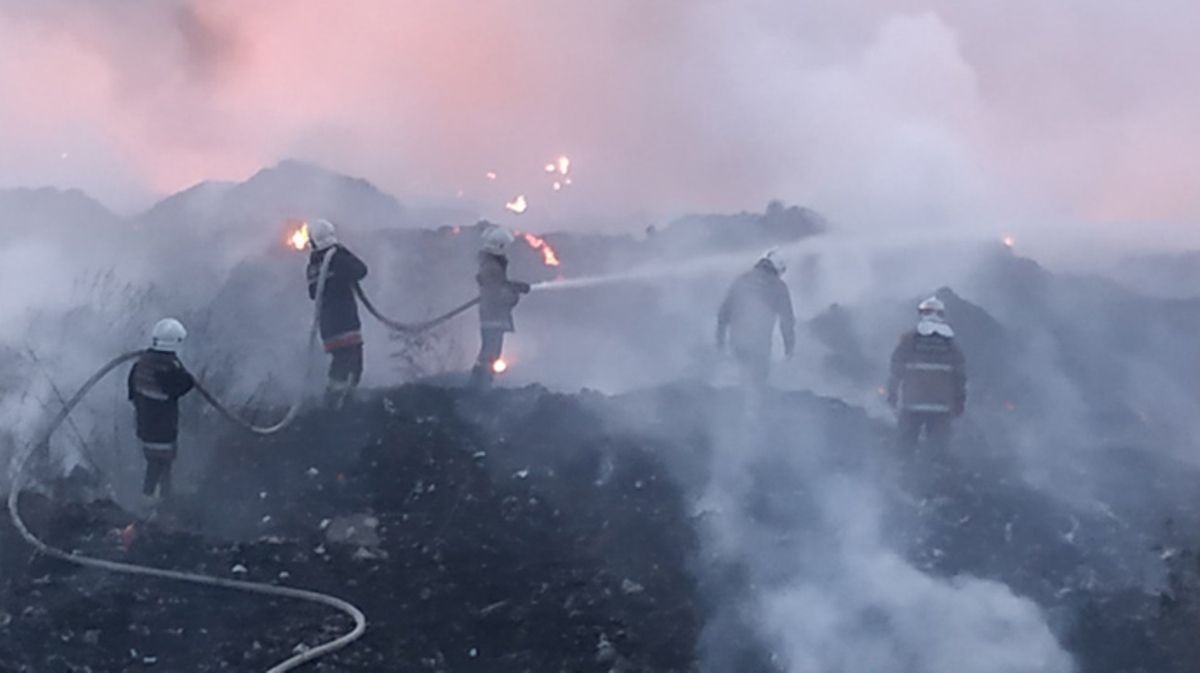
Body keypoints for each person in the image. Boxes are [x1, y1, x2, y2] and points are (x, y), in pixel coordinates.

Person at [128, 318, 195, 507]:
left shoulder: (141, 364)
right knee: (160, 465)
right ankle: (155, 504)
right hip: (163, 429)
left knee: (156, 464)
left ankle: (158, 501)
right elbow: (185, 384)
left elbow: (132, 393)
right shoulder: (167, 370)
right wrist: (178, 369)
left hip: (145, 425)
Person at [887, 296, 967, 452]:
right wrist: (960, 401)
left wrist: (892, 394)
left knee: (905, 449)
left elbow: (896, 370)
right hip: (942, 407)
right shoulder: (951, 345)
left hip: (912, 404)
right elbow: (960, 376)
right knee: (938, 451)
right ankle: (933, 474)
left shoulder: (909, 339)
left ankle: (904, 474)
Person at [305, 218, 369, 406]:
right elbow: (361, 270)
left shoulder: (313, 265)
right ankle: (336, 404)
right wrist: (343, 251)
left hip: (330, 326)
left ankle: (337, 402)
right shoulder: (338, 259)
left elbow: (312, 293)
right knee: (351, 365)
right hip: (346, 322)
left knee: (341, 363)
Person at [716, 249, 796, 389]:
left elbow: (723, 315)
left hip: (737, 341)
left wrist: (720, 343)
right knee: (758, 383)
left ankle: (738, 401)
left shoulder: (742, 280)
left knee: (741, 377)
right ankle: (753, 406)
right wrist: (789, 349)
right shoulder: (778, 286)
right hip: (760, 345)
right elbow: (787, 321)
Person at [470, 225, 530, 388]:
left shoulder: (490, 265)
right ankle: (480, 384)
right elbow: (497, 294)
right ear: (499, 247)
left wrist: (514, 286)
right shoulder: (492, 267)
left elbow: (498, 285)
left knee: (490, 352)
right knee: (491, 352)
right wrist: (514, 295)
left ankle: (481, 382)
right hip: (493, 316)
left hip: (492, 315)